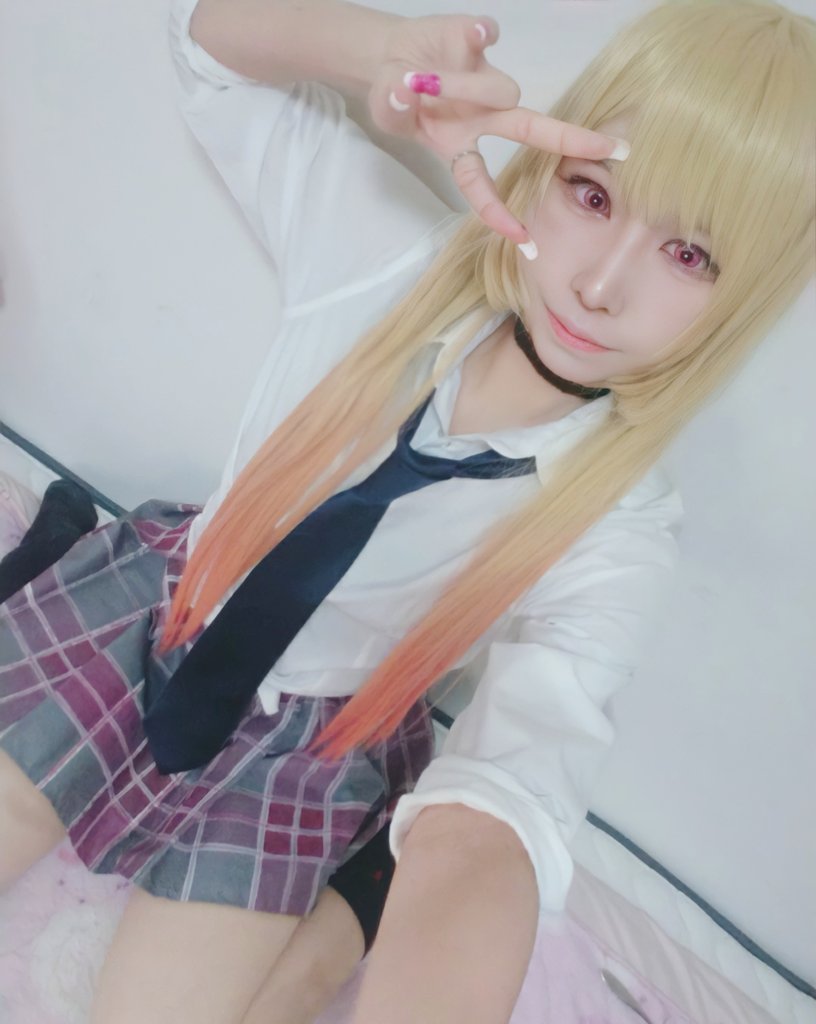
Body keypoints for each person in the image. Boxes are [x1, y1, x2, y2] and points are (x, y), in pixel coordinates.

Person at [1, 0, 813, 1021]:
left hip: (304, 750)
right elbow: (202, 48)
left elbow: (512, 791)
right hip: (157, 607)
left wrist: (461, 880)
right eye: (594, 193)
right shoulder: (385, 259)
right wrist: (375, 50)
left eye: (689, 255)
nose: (600, 285)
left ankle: (360, 893)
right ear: (545, 164)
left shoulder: (618, 528)